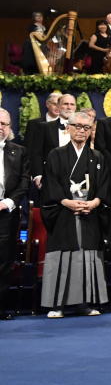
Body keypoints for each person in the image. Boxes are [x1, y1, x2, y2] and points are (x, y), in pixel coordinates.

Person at [39, 111, 111, 318]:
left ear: (91, 131)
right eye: (77, 126)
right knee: (63, 257)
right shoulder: (56, 154)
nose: (81, 130)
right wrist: (66, 202)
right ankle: (57, 304)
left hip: (90, 213)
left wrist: (95, 202)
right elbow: (50, 183)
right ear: (68, 128)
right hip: (63, 213)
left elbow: (104, 186)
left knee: (87, 256)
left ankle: (84, 303)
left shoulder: (97, 157)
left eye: (86, 127)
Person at [0, 109, 28, 320]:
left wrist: (8, 202)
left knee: (5, 260)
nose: (1, 128)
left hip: (6, 213)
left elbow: (24, 181)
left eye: (5, 124)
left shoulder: (18, 151)